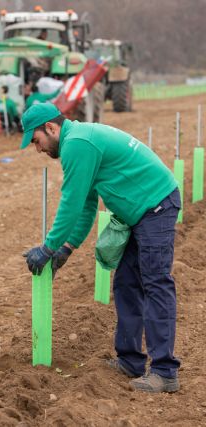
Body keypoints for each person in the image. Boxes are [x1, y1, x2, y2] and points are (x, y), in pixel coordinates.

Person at [21, 103, 181, 394]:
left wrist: (47, 248)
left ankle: (164, 371)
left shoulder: (77, 144)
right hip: (140, 211)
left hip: (156, 204)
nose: (38, 149)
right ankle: (131, 361)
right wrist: (66, 249)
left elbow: (69, 203)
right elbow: (86, 205)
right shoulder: (79, 139)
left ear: (51, 128)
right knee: (126, 283)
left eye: (36, 140)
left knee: (156, 283)